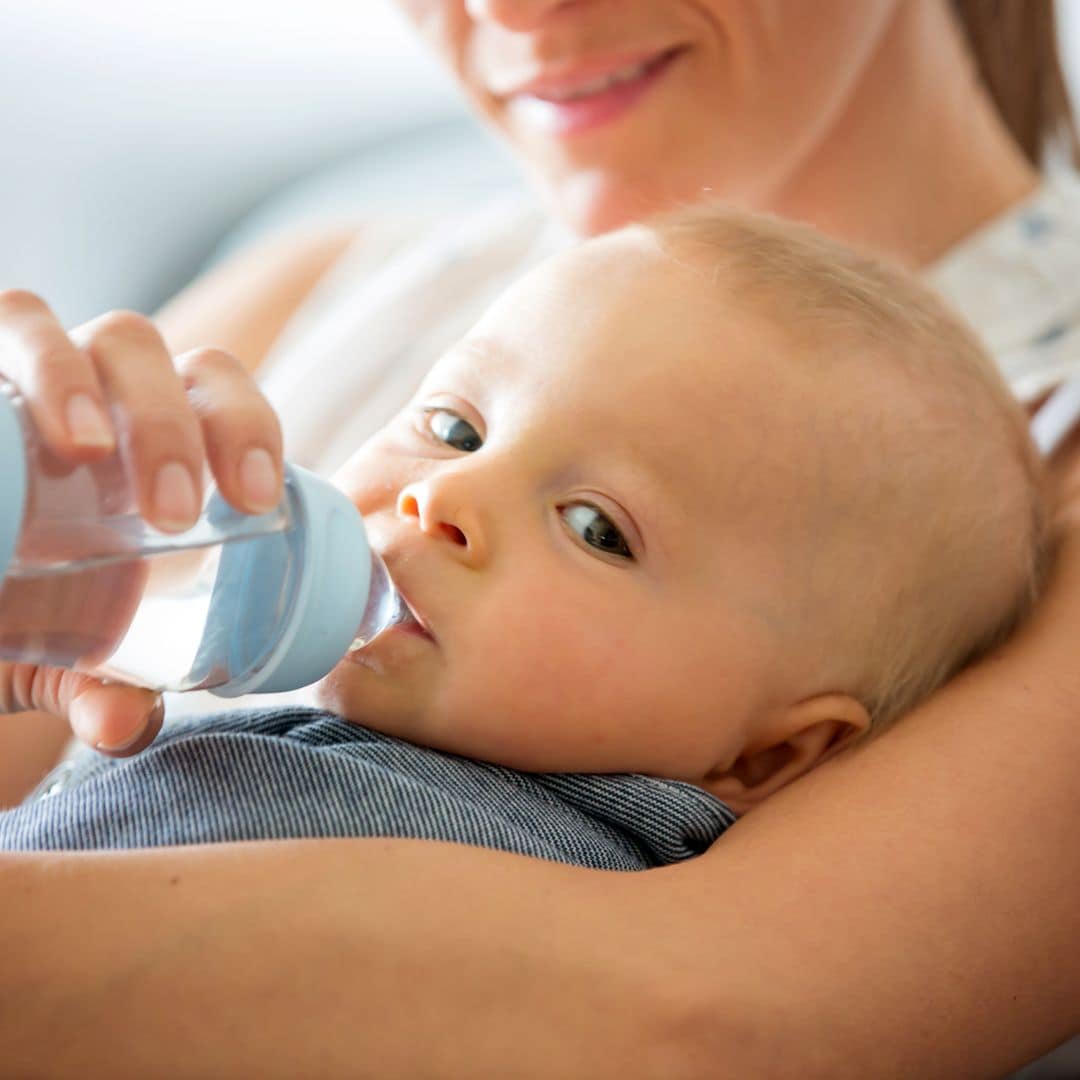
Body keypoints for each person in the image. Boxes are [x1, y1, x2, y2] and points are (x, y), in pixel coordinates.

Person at [3, 1, 1080, 1075]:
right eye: (452, 428)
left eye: (597, 529)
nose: (513, 10)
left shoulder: (1025, 478)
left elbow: (688, 1025)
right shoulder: (330, 281)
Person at [0, 207, 1049, 853]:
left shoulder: (494, 886)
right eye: (454, 426)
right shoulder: (220, 684)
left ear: (768, 757)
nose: (444, 499)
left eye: (596, 528)